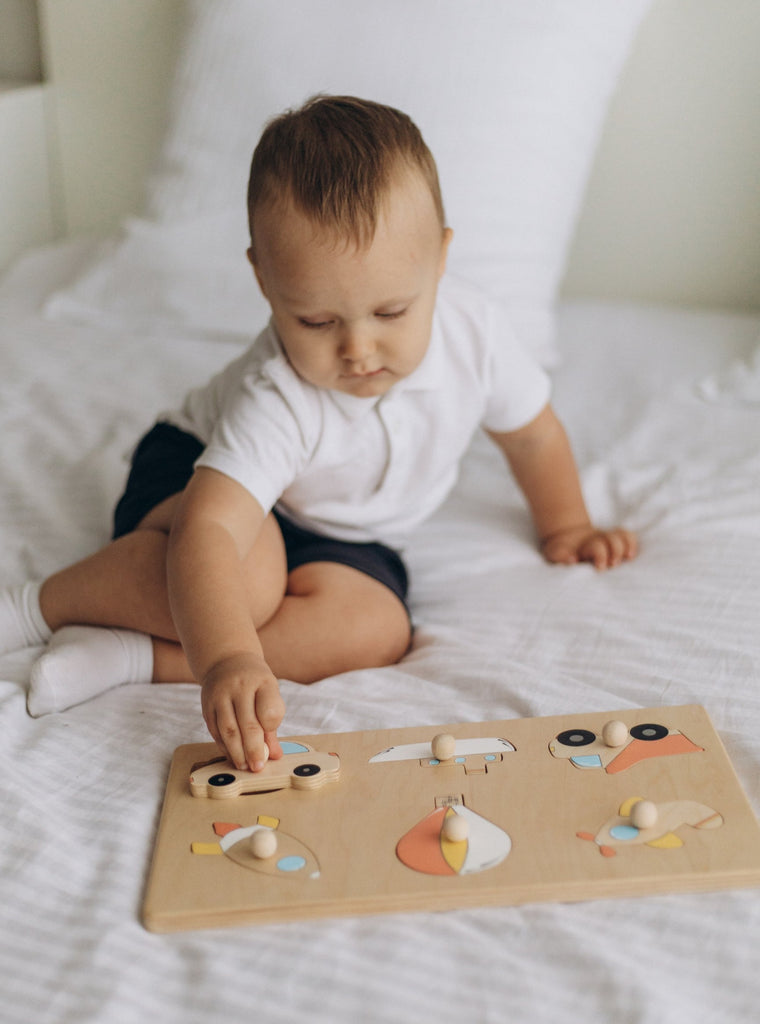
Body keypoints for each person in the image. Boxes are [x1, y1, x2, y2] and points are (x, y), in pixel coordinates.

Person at [0, 95, 637, 772]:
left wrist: (567, 524)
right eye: (316, 322)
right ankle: (38, 607)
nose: (359, 349)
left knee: (377, 629)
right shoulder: (277, 393)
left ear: (441, 260)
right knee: (247, 584)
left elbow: (532, 437)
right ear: (264, 281)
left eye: (391, 310)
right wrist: (230, 657)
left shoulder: (476, 337)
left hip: (344, 530)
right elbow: (210, 532)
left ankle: (137, 657)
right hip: (196, 484)